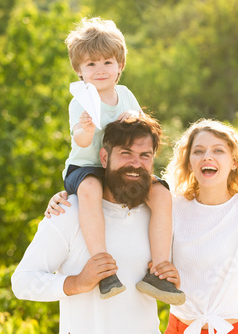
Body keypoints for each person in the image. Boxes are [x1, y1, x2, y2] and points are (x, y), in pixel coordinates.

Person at [47, 89, 238, 334]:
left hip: (234, 329)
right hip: (179, 328)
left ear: (234, 163)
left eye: (218, 151)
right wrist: (69, 195)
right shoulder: (170, 207)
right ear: (189, 162)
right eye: (199, 151)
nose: (207, 157)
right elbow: (116, 194)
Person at [12, 115, 183, 334]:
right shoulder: (69, 210)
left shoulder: (159, 215)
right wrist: (77, 283)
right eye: (125, 153)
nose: (136, 163)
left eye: (145, 156)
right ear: (104, 158)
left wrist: (172, 277)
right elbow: (23, 281)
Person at [61, 16, 181, 302]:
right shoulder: (81, 99)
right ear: (79, 70)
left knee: (162, 194)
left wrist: (135, 117)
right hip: (87, 167)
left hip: (123, 168)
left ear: (120, 66)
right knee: (90, 189)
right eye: (91, 64)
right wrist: (86, 130)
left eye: (107, 63)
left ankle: (159, 271)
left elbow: (143, 123)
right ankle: (103, 267)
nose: (100, 70)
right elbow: (79, 138)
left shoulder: (125, 94)